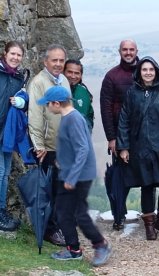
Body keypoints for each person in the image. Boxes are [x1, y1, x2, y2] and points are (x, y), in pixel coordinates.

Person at [36, 86, 111, 266]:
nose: (47, 108)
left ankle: (101, 245)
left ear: (56, 103)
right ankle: (74, 250)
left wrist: (72, 177)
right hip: (69, 173)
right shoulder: (68, 117)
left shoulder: (73, 119)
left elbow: (83, 148)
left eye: (48, 104)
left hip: (78, 176)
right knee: (62, 212)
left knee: (79, 213)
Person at [117, 56, 159, 241]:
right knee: (147, 186)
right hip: (140, 148)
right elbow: (124, 120)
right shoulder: (132, 93)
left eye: (151, 70)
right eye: (144, 70)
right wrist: (124, 147)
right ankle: (149, 225)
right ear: (139, 72)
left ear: (156, 71)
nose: (148, 73)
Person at [27, 44, 70, 246]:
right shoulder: (38, 83)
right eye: (54, 60)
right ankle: (50, 230)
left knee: (60, 189)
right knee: (49, 191)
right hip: (47, 148)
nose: (58, 64)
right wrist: (38, 145)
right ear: (46, 62)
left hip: (62, 146)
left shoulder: (64, 81)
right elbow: (34, 116)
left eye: (61, 60)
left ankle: (58, 225)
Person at [100, 39, 138, 230]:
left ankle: (150, 216)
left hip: (143, 136)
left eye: (131, 49)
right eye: (125, 50)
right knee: (119, 178)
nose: (128, 53)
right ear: (120, 51)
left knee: (149, 176)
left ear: (136, 50)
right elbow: (105, 109)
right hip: (120, 136)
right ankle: (118, 215)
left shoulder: (147, 72)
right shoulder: (111, 76)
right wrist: (111, 138)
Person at [0, 41, 27, 231]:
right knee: (0, 172)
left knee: (6, 172)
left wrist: (22, 102)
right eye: (13, 54)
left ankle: (1, 211)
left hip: (7, 133)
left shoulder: (19, 78)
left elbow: (25, 99)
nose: (15, 58)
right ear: (5, 53)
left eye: (19, 55)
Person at [63, 59, 94, 132]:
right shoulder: (57, 90)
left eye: (77, 73)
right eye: (70, 72)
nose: (73, 76)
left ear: (81, 75)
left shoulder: (83, 93)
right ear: (63, 72)